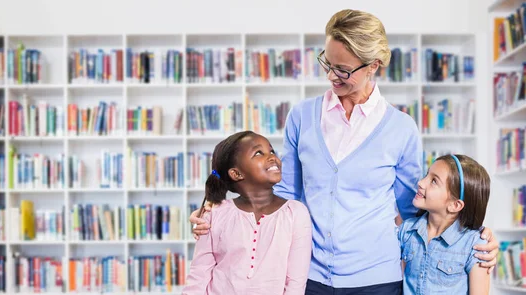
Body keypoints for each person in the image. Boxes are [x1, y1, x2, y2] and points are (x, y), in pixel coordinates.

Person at [189, 8, 499, 295]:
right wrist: (218, 216)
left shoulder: (401, 129)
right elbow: (281, 193)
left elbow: (415, 211)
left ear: (373, 66)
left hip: (377, 279)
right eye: (327, 62)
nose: (331, 75)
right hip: (310, 274)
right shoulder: (302, 116)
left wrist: (472, 236)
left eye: (343, 69)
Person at [183, 131, 312, 295]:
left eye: (271, 151)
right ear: (236, 173)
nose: (272, 157)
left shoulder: (295, 213)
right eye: (259, 153)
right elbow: (198, 276)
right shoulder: (214, 214)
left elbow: (295, 283)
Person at [399, 154, 490, 294]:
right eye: (426, 175)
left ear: (455, 205)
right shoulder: (406, 231)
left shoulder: (475, 244)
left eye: (434, 181)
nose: (421, 183)